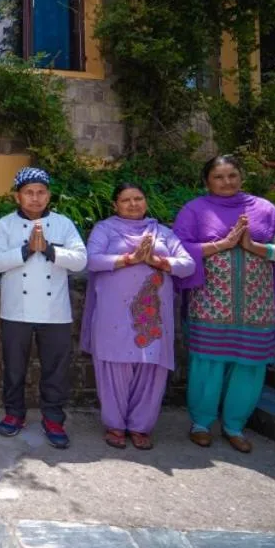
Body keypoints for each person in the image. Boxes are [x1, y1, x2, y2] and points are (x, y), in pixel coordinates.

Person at [173, 154, 275, 453]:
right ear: (207, 181)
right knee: (208, 364)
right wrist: (222, 244)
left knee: (250, 366)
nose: (226, 182)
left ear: (241, 177)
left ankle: (234, 426)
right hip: (209, 305)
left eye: (232, 175)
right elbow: (178, 249)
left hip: (257, 307)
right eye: (218, 177)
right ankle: (201, 424)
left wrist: (254, 246)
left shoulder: (264, 210)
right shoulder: (195, 210)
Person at [81, 183, 194, 450]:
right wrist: (129, 259)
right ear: (115, 205)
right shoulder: (104, 230)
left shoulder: (163, 233)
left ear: (146, 201)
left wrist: (158, 261)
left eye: (138, 198)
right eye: (126, 200)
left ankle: (141, 427)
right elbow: (91, 260)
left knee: (151, 367)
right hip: (113, 314)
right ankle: (115, 424)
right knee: (114, 367)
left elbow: (187, 265)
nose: (133, 204)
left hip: (152, 315)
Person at [0, 167, 87, 449]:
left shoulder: (63, 224)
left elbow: (81, 260)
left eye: (41, 192)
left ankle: (54, 418)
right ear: (17, 196)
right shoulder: (5, 225)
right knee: (14, 367)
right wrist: (26, 250)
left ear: (49, 195)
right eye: (29, 193)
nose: (35, 198)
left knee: (55, 369)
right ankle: (13, 414)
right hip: (15, 310)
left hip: (54, 310)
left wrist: (49, 250)